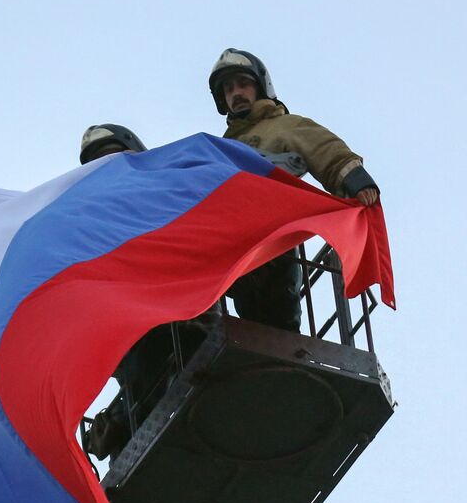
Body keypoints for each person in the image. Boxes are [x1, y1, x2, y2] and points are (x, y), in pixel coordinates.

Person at [208, 48, 381, 331]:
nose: (236, 93)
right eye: (228, 89)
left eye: (243, 84)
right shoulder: (220, 149)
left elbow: (325, 149)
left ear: (261, 87)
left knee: (278, 317)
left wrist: (356, 181)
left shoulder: (284, 126)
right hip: (234, 246)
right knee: (244, 318)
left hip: (274, 237)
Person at [75, 124, 206, 459]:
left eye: (114, 155)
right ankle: (121, 426)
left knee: (169, 351)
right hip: (129, 319)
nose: (110, 166)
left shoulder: (167, 193)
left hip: (181, 308)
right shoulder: (95, 221)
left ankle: (121, 423)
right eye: (99, 163)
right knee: (142, 361)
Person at [79, 123, 147, 164]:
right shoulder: (94, 187)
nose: (109, 164)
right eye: (98, 162)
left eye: (115, 155)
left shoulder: (155, 181)